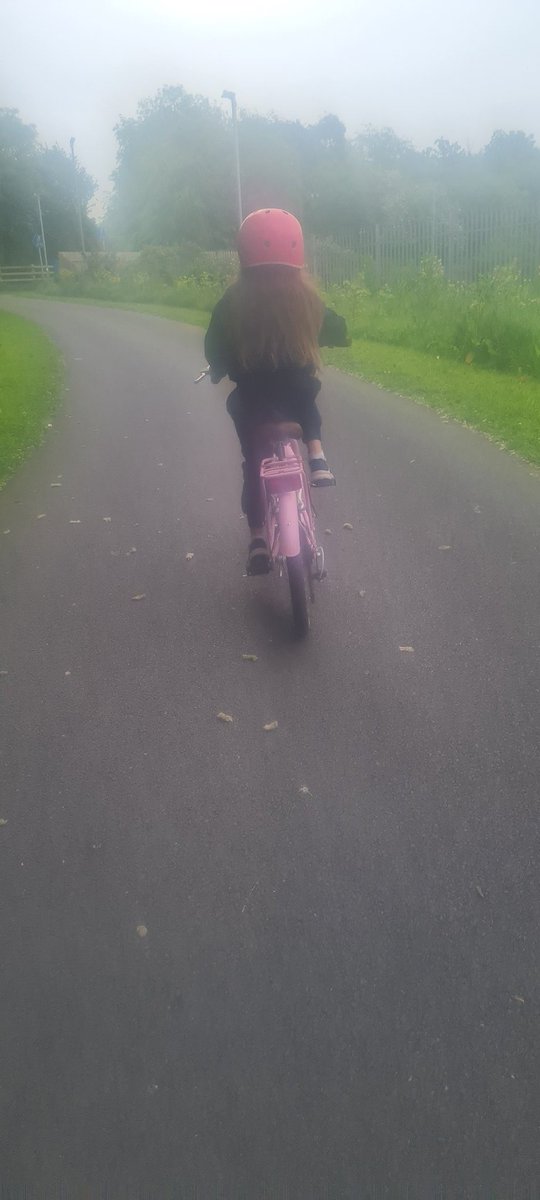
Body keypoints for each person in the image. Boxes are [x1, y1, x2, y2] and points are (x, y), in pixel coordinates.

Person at [204, 208, 350, 574]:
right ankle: (316, 455)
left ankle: (257, 540)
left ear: (244, 253)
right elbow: (336, 327)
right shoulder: (307, 300)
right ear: (296, 252)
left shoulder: (232, 303)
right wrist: (338, 337)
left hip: (252, 404)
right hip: (295, 398)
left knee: (254, 464)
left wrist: (218, 367)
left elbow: (215, 346)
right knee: (306, 397)